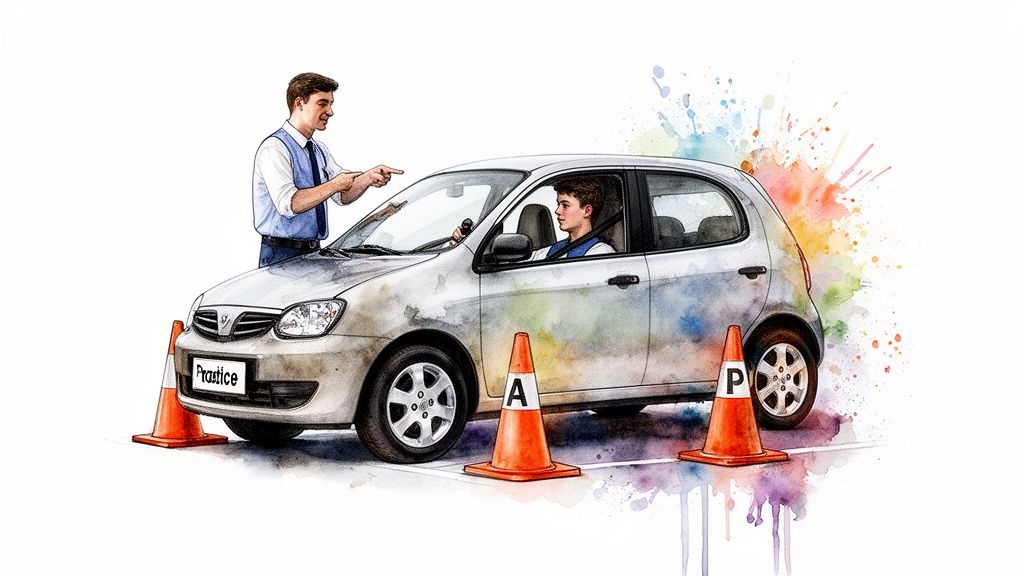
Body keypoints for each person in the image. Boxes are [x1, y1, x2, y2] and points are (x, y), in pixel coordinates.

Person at [253, 72, 403, 267]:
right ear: (299, 103)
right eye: (322, 103)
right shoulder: (275, 148)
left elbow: (342, 195)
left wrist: (367, 178)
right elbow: (290, 204)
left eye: (331, 104)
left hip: (313, 253)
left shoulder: (319, 150)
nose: (330, 111)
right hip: (280, 256)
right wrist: (333, 185)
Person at [527, 177, 615, 260]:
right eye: (558, 204)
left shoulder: (602, 254)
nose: (557, 211)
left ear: (587, 211)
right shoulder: (550, 252)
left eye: (565, 205)